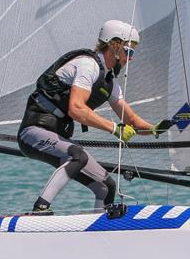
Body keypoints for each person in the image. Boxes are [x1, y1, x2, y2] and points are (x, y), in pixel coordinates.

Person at [18, 20, 167, 214]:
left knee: (106, 187)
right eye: (129, 52)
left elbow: (131, 121)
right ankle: (40, 209)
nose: (130, 59)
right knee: (76, 156)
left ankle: (97, 228)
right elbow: (76, 109)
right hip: (33, 131)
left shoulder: (110, 83)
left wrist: (156, 129)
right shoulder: (88, 65)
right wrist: (114, 128)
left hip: (57, 137)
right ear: (114, 45)